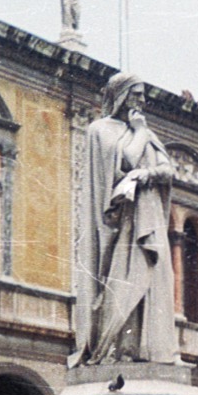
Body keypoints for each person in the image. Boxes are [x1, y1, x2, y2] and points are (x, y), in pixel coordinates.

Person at [71, 71, 180, 366]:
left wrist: (147, 173)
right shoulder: (100, 130)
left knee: (152, 280)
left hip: (149, 215)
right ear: (120, 95)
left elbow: (168, 171)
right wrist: (140, 133)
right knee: (125, 284)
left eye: (144, 94)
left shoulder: (145, 132)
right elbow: (127, 160)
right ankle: (121, 349)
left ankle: (150, 350)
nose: (143, 101)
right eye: (137, 93)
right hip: (124, 225)